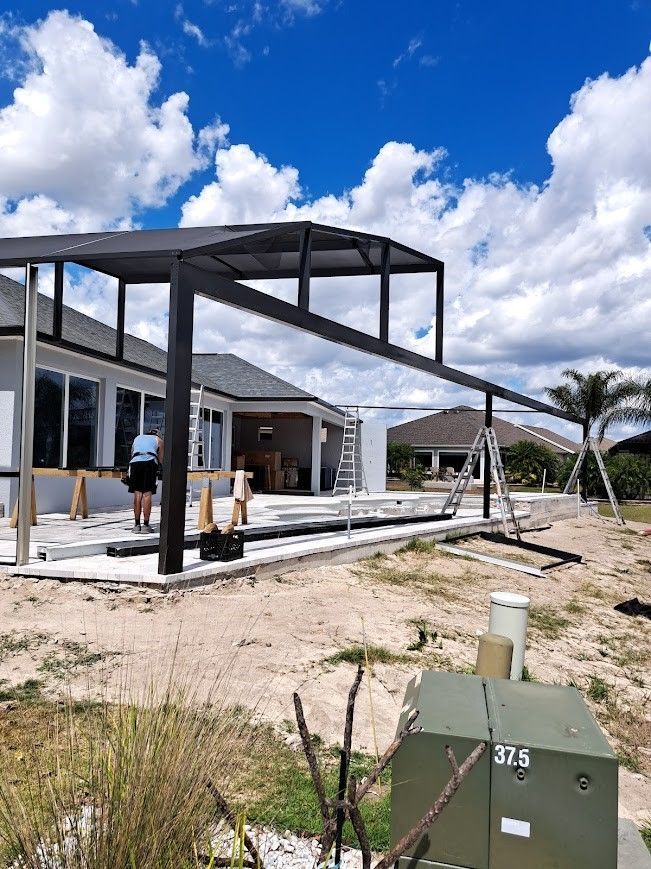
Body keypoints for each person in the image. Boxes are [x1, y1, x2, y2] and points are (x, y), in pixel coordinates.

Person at [128, 428, 163, 533]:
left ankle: (136, 525)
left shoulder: (138, 438)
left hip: (135, 463)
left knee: (137, 494)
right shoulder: (159, 440)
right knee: (147, 494)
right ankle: (146, 525)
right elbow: (161, 459)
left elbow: (132, 453)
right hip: (149, 463)